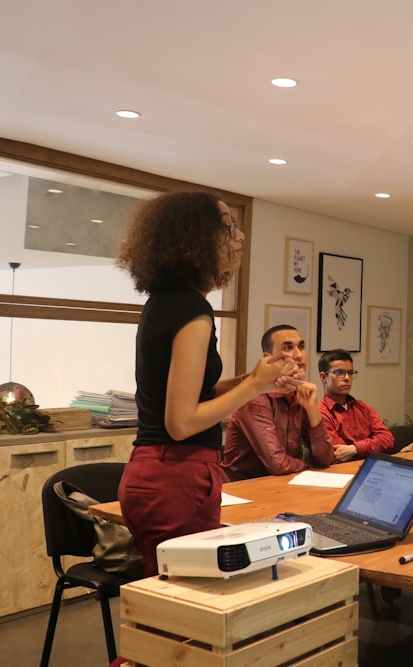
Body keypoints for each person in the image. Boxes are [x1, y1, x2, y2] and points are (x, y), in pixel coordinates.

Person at [114, 191, 294, 577]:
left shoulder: (166, 302)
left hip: (155, 472)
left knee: (171, 601)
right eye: (228, 226)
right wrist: (251, 389)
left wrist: (254, 378)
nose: (240, 236)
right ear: (194, 239)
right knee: (184, 608)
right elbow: (181, 423)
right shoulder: (193, 311)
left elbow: (195, 392)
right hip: (176, 476)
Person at [221, 325, 334, 481]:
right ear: (268, 358)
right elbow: (277, 464)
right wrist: (309, 468)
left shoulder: (301, 393)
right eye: (288, 348)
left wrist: (313, 410)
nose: (298, 355)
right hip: (241, 490)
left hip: (282, 486)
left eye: (301, 347)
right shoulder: (256, 397)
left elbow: (326, 459)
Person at [317, 348, 394, 462]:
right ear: (324, 377)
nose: (347, 378)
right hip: (343, 473)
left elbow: (388, 440)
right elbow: (339, 454)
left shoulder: (363, 407)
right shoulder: (321, 413)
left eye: (350, 373)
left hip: (371, 468)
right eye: (339, 373)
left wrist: (354, 449)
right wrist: (371, 446)